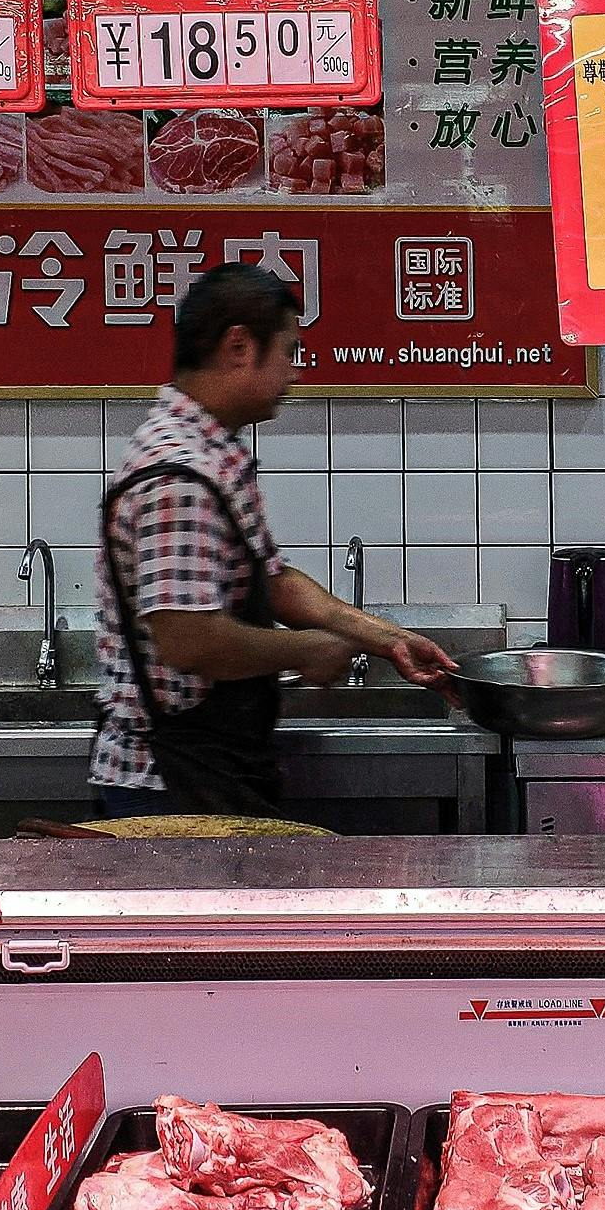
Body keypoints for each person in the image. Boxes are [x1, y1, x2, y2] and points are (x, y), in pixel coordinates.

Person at [90, 263, 457, 819]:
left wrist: (387, 640)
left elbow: (273, 580)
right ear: (239, 346)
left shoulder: (215, 456)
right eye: (289, 350)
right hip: (164, 789)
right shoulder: (178, 477)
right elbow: (190, 640)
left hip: (203, 772)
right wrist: (304, 650)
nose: (296, 372)